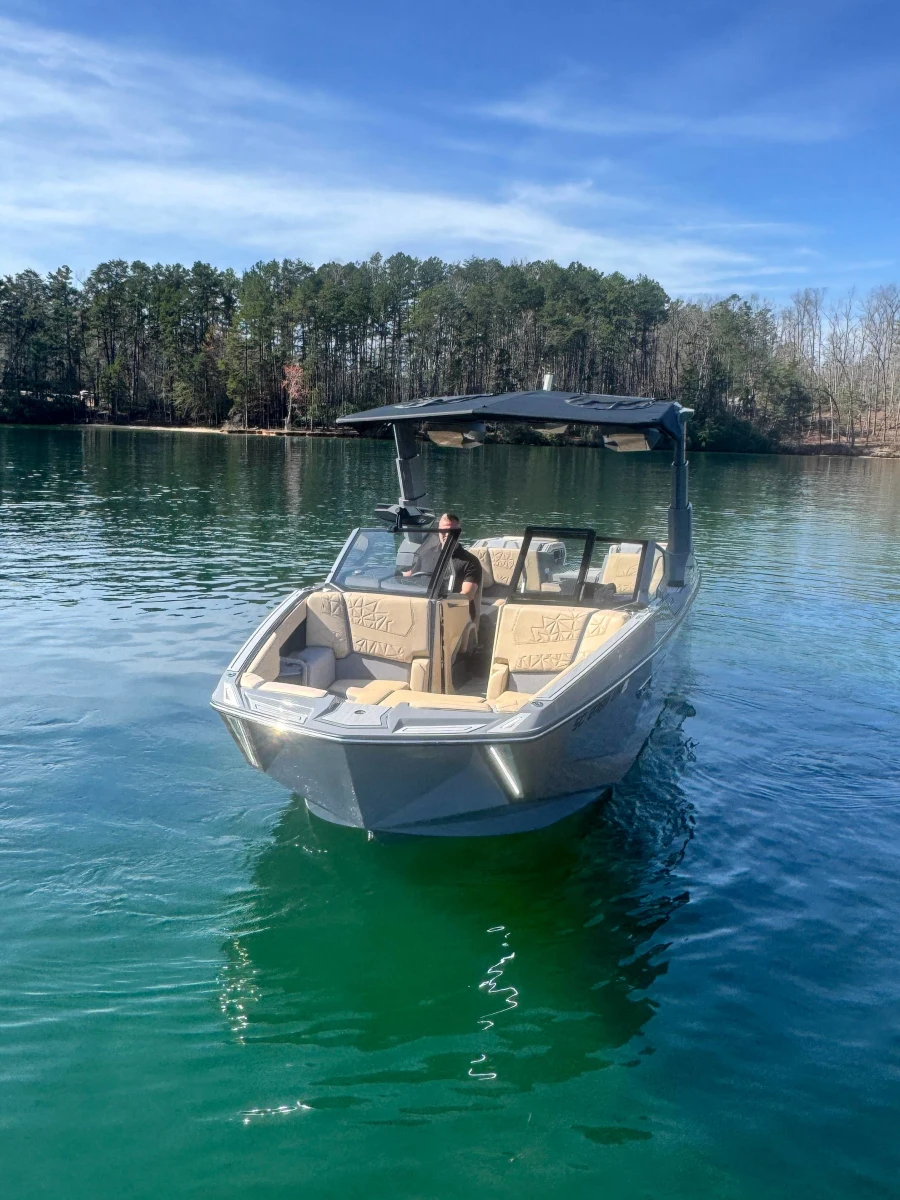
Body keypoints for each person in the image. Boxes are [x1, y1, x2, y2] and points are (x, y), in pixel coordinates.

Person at [405, 512, 482, 621]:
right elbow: (410, 575)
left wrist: (440, 606)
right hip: (423, 607)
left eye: (452, 531)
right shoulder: (426, 554)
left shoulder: (470, 561)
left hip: (455, 612)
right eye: (443, 531)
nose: (447, 534)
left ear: (459, 533)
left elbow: (467, 595)